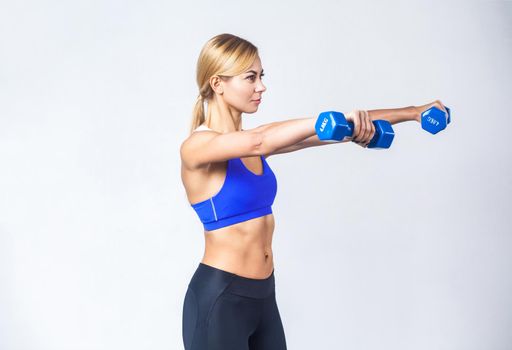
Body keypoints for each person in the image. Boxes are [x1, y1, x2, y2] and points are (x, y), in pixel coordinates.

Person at [180, 33, 447, 350]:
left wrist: (412, 112)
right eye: (250, 77)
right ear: (218, 83)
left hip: (264, 297)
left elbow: (313, 134)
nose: (261, 86)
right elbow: (263, 140)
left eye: (261, 76)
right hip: (220, 301)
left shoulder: (254, 142)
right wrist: (330, 120)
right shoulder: (197, 147)